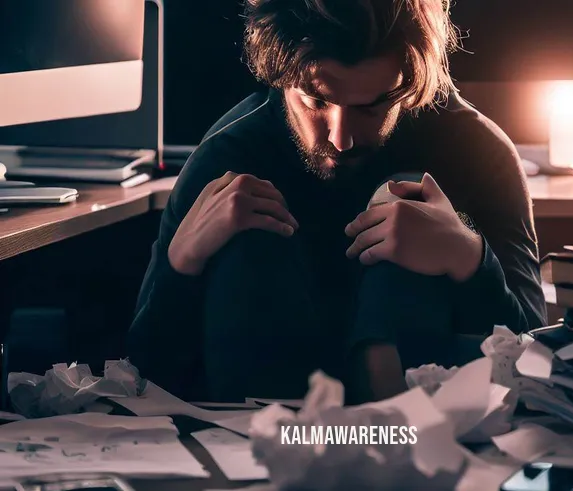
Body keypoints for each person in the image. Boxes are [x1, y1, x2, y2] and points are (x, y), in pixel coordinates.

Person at [127, 0, 547, 403]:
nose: (340, 138)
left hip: (421, 432)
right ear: (280, 75)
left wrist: (470, 260)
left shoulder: (477, 151)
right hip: (267, 428)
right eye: (316, 101)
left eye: (372, 108)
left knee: (409, 193)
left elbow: (540, 363)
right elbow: (144, 373)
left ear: (411, 81)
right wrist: (182, 265)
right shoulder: (227, 157)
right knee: (244, 218)